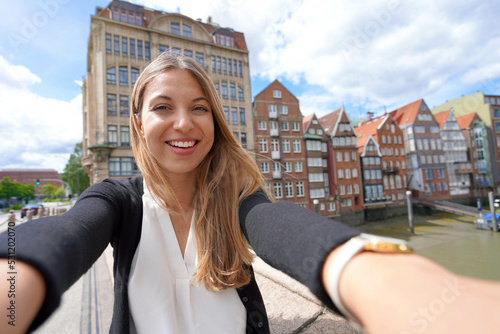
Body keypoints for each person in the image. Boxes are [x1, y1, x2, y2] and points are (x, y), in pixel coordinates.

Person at [1, 55, 499, 334]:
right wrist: (12, 285)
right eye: (162, 107)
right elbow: (65, 234)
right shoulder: (118, 199)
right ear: (137, 122)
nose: (183, 123)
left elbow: (283, 229)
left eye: (199, 108)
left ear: (214, 122)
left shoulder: (235, 197)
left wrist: (391, 280)